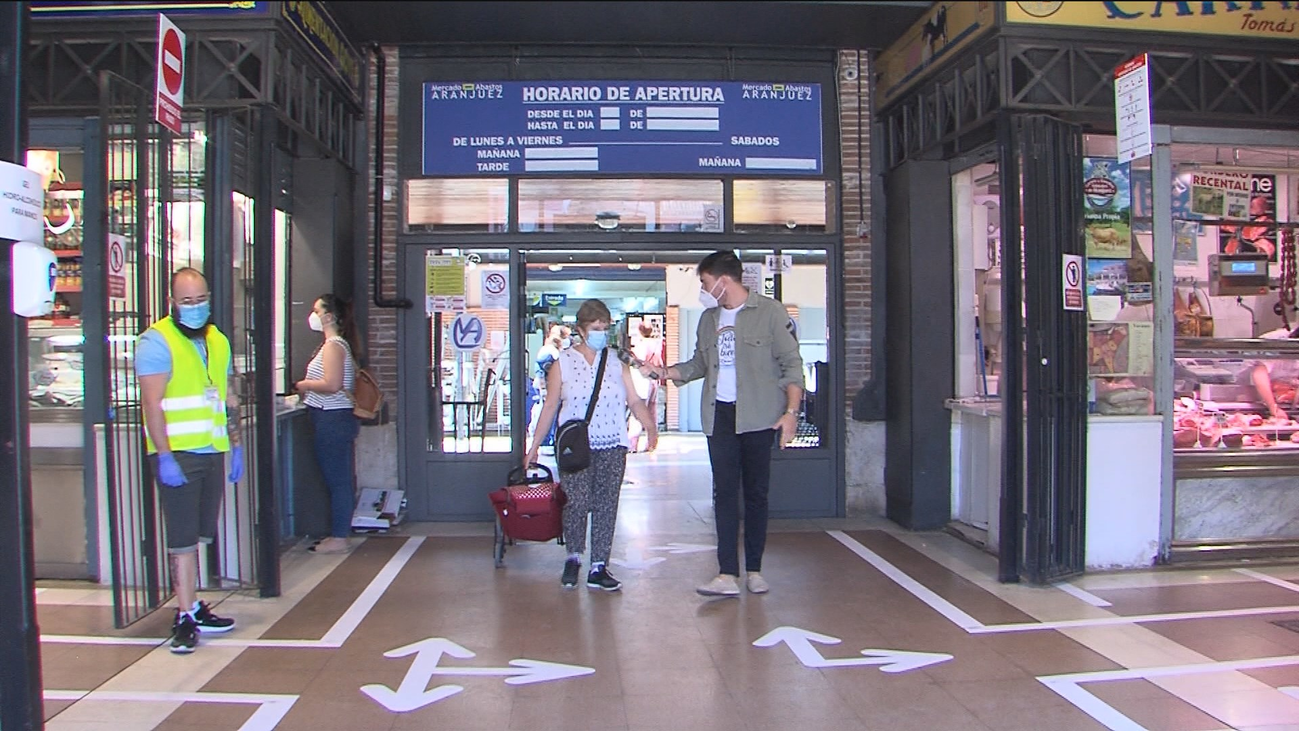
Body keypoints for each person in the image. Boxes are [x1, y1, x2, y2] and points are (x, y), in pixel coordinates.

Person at [641, 251, 804, 597]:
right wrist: (666, 372)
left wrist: (791, 413)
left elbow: (792, 365)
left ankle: (755, 570)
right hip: (720, 416)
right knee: (724, 493)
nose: (702, 289)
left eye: (704, 282)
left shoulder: (770, 314)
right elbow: (699, 364)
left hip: (760, 416)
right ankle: (727, 572)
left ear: (722, 281)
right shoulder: (708, 320)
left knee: (756, 494)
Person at [136, 268, 241, 654]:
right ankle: (183, 615)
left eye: (201, 300)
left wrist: (236, 442)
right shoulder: (156, 341)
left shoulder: (217, 340)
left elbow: (227, 394)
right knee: (181, 539)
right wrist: (164, 455)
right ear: (172, 302)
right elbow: (152, 404)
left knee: (199, 534)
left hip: (210, 450)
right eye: (187, 301)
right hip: (177, 453)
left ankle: (194, 605)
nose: (196, 308)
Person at [526, 299, 657, 591]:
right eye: (596, 327)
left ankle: (599, 565)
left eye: (605, 327)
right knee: (577, 502)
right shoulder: (563, 363)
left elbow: (633, 399)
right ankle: (573, 556)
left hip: (613, 443)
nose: (601, 333)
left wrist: (649, 426)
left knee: (606, 504)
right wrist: (534, 445)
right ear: (581, 330)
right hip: (576, 446)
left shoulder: (616, 362)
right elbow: (550, 406)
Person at [296, 295, 362, 555]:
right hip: (333, 418)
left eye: (316, 310)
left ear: (329, 316)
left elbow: (332, 384)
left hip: (332, 418)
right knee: (339, 477)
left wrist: (304, 385)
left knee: (337, 479)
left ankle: (339, 535)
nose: (312, 315)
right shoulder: (335, 345)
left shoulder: (334, 346)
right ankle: (338, 533)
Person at [628, 320, 663, 452]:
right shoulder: (657, 345)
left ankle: (632, 443)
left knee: (638, 411)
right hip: (654, 381)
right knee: (652, 412)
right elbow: (659, 363)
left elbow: (638, 364)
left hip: (641, 381)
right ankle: (652, 443)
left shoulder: (639, 346)